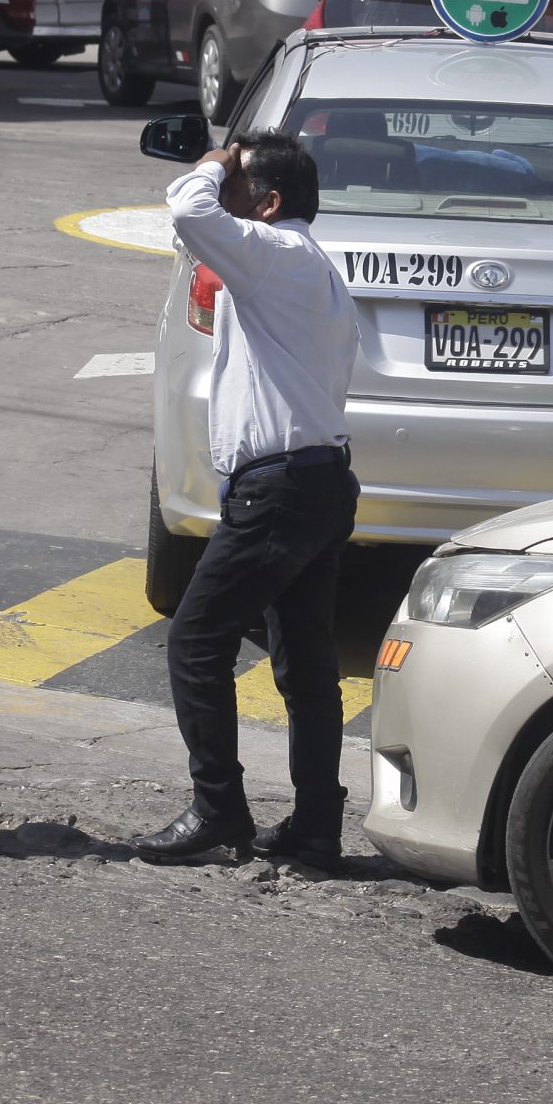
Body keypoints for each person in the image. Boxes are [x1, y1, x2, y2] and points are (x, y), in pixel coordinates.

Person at [135, 132, 360, 869]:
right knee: (304, 662)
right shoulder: (303, 266)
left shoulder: (276, 255)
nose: (225, 194)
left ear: (267, 203)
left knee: (197, 642)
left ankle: (217, 809)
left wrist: (211, 164)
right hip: (314, 480)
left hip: (283, 488)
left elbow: (189, 213)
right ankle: (317, 824)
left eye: (239, 185)